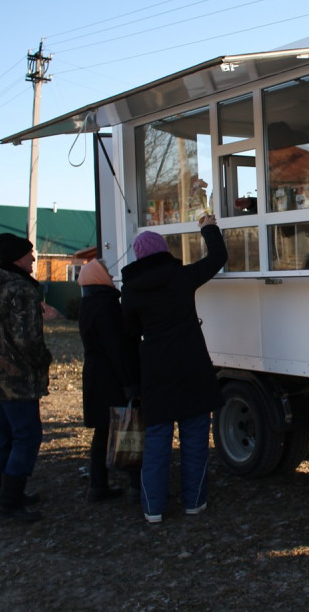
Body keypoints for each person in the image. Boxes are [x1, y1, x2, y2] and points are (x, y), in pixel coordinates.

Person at [121, 214, 228, 523]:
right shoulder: (180, 276)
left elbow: (128, 334)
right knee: (195, 440)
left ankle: (153, 509)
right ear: (165, 250)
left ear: (139, 257)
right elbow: (218, 257)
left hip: (155, 370)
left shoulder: (131, 291)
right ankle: (194, 502)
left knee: (156, 444)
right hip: (191, 364)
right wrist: (208, 227)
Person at [0, 233, 53, 522]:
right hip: (18, 377)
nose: (33, 259)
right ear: (16, 258)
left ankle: (6, 493)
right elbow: (27, 339)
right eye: (28, 255)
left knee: (5, 435)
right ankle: (8, 503)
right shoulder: (21, 290)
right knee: (27, 436)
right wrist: (43, 359)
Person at [76, 259, 140, 502]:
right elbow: (117, 347)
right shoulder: (107, 305)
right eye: (107, 274)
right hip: (111, 377)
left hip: (94, 375)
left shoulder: (87, 304)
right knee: (126, 427)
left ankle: (97, 484)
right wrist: (129, 381)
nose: (111, 278)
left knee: (102, 432)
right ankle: (135, 484)